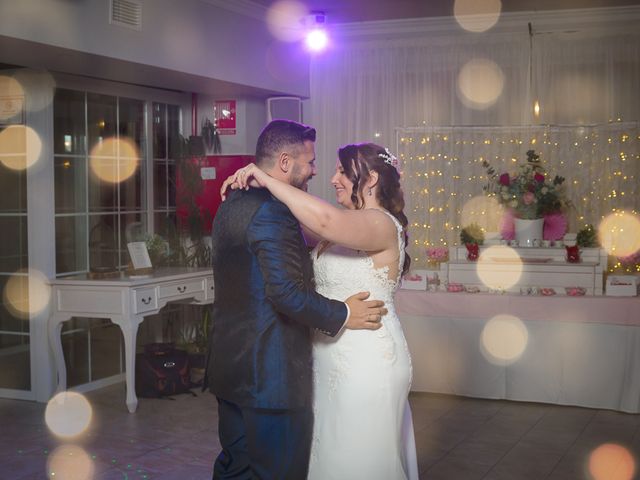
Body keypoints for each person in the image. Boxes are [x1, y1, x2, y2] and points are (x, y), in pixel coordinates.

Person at [205, 120, 388, 480]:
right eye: (311, 161)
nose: (316, 170)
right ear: (286, 163)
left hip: (230, 369)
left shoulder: (231, 203)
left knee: (235, 469)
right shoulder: (273, 212)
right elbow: (286, 293)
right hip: (271, 378)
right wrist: (345, 312)